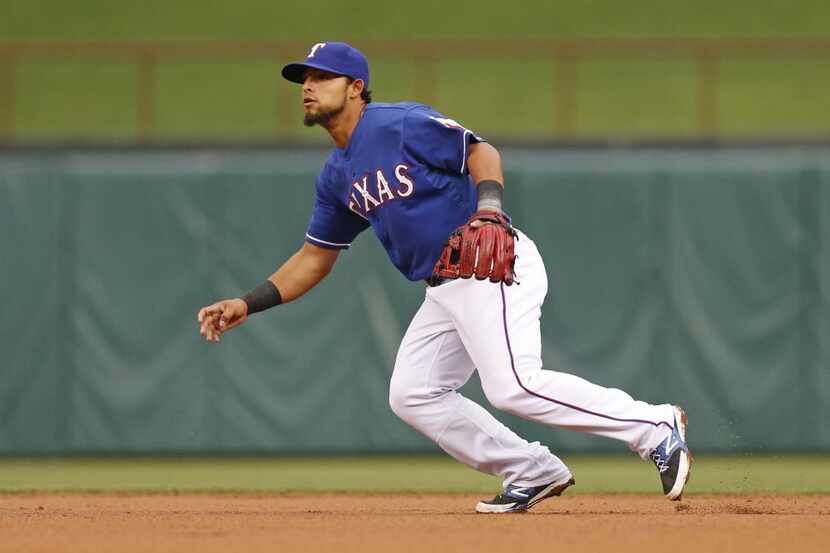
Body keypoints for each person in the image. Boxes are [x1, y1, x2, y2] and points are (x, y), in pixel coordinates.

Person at [196, 42, 692, 513]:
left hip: (488, 264)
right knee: (412, 393)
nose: (308, 85)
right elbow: (315, 257)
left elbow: (480, 152)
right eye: (303, 78)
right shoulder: (335, 175)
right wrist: (248, 302)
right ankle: (532, 470)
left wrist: (491, 208)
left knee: (513, 385)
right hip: (443, 289)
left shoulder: (399, 123)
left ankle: (654, 426)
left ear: (355, 86)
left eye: (322, 76)